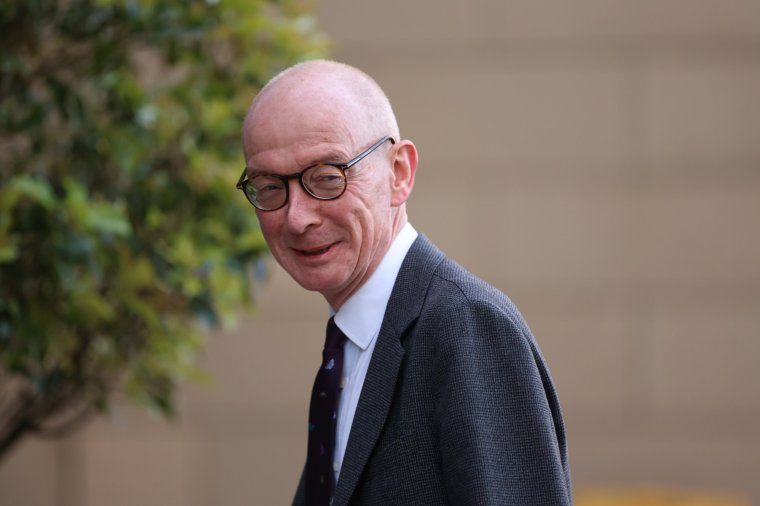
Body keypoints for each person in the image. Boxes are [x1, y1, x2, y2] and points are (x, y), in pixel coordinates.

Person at [239, 59, 572, 506]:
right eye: (270, 188)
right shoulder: (352, 345)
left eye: (326, 178)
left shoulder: (466, 326)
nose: (297, 218)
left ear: (400, 173)